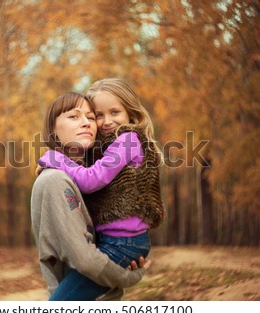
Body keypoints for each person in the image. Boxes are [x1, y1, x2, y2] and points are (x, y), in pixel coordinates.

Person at [38, 78, 166, 300]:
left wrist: (55, 159)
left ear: (130, 115)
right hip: (115, 241)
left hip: (123, 242)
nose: (106, 121)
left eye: (114, 112)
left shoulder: (128, 140)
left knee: (61, 303)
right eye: (99, 115)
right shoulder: (105, 147)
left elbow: (91, 180)